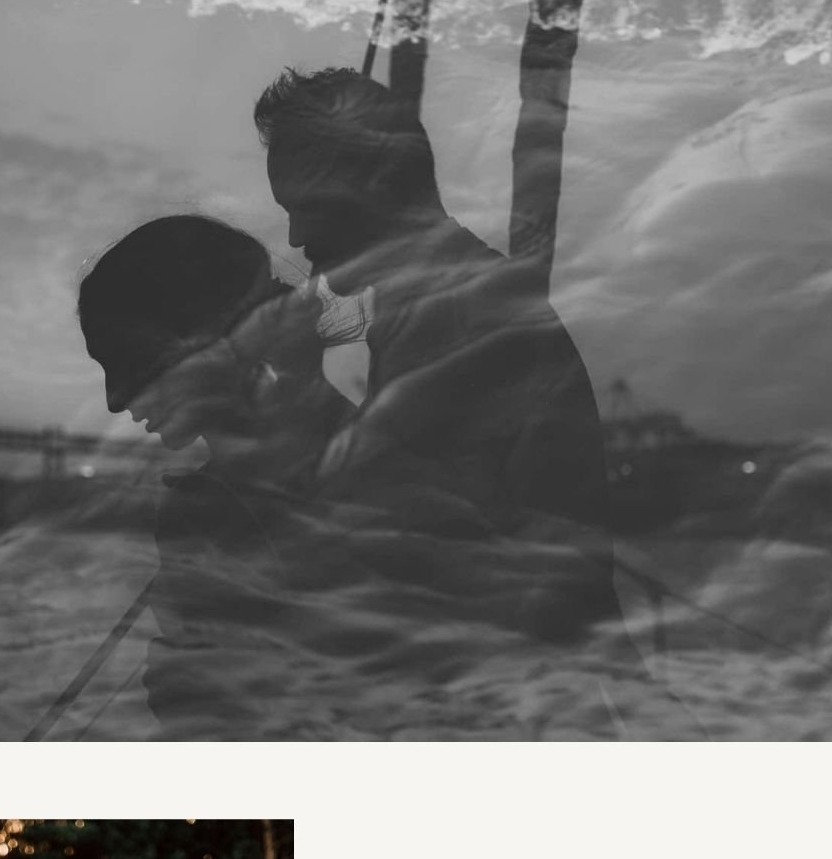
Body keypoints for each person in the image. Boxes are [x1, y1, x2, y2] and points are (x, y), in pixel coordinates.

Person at [253, 64, 619, 634]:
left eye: (308, 206)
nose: (297, 237)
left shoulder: (458, 313)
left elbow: (387, 522)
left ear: (377, 184)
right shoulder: (452, 299)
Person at [77, 215, 356, 733]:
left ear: (202, 340)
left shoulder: (204, 514)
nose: (115, 400)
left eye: (125, 361)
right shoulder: (367, 442)